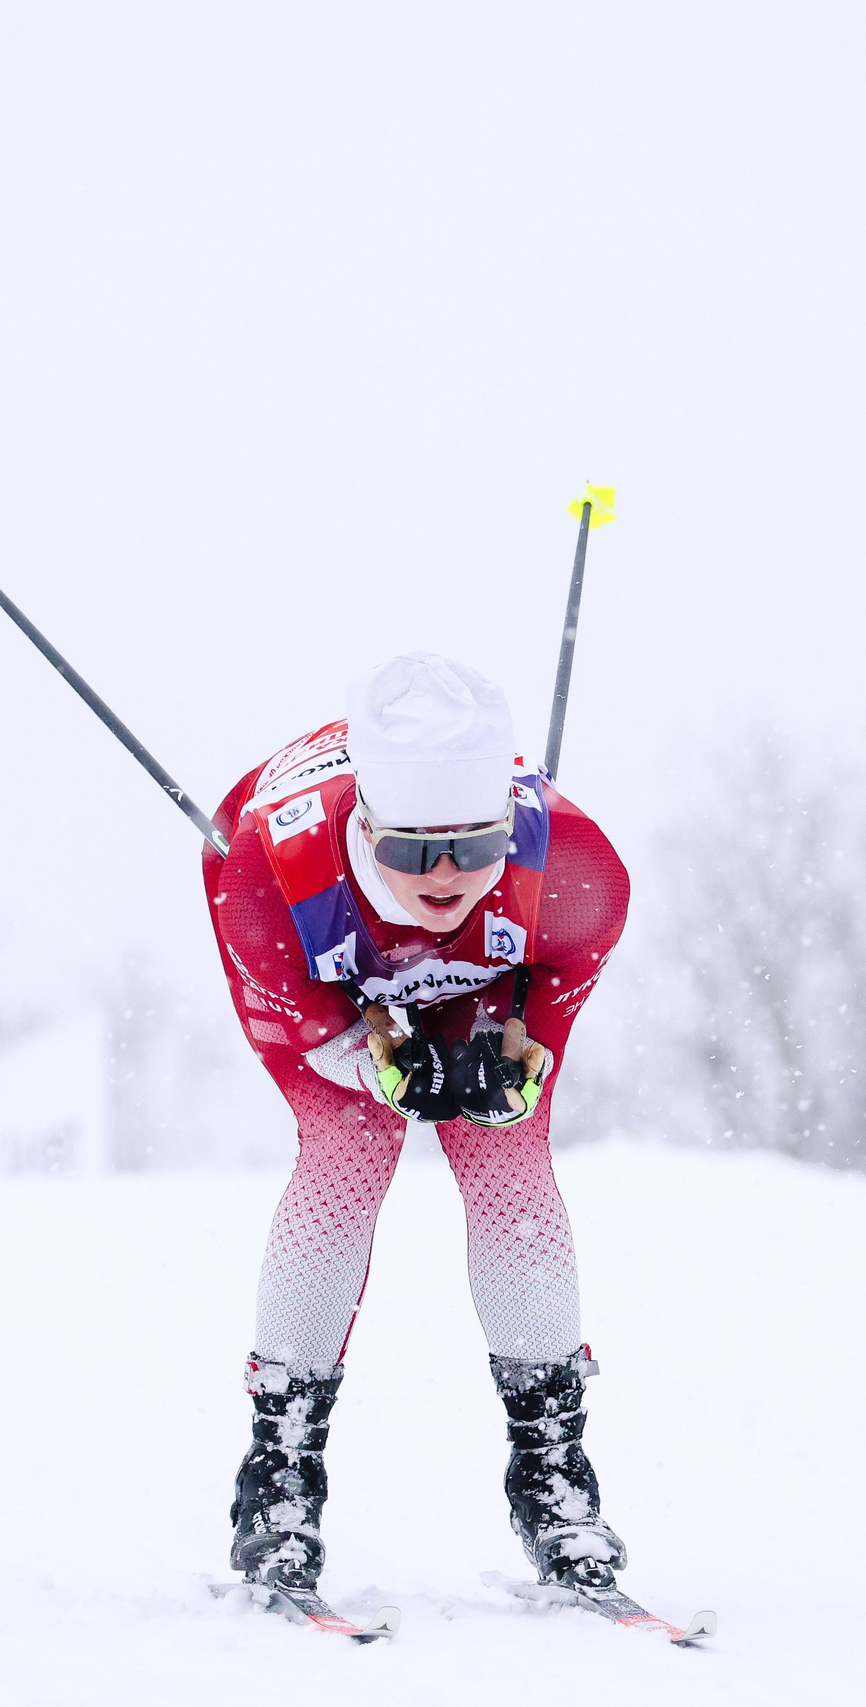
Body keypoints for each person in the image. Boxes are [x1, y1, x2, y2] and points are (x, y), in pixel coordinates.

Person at [201, 652, 632, 1597]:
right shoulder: (263, 882)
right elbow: (309, 1026)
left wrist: (525, 1056)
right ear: (365, 825)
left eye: (473, 849)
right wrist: (380, 1058)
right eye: (412, 851)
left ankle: (553, 1471)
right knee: (350, 1153)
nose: (444, 873)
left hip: (485, 969)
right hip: (328, 967)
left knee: (508, 1158)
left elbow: (555, 988)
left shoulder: (578, 868)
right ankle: (280, 1472)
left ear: (506, 830)